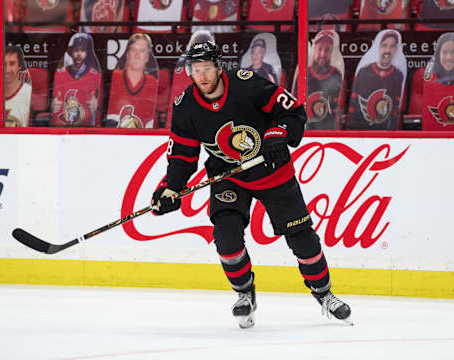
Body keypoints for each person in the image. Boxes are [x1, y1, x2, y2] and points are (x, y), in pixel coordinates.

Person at [151, 40, 353, 329]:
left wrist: (276, 133)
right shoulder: (185, 107)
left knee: (301, 237)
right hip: (228, 175)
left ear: (219, 67)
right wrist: (171, 188)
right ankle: (245, 293)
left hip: (272, 171)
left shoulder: (247, 85)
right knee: (226, 237)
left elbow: (293, 111)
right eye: (196, 70)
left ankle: (325, 295)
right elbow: (182, 154)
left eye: (207, 68)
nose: (203, 75)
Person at [347, 30, 406, 130]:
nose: (388, 50)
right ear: (378, 47)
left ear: (396, 49)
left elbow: (396, 110)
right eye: (384, 45)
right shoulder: (363, 72)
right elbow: (353, 108)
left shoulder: (398, 75)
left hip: (388, 134)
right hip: (361, 132)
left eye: (392, 46)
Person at [293, 30, 344, 129]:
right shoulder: (303, 73)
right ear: (314, 50)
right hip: (304, 130)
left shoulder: (337, 75)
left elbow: (338, 110)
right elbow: (294, 105)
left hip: (328, 131)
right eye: (319, 49)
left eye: (327, 50)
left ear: (332, 52)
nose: (322, 54)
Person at [106, 33, 158, 128]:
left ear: (147, 57)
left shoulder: (153, 83)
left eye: (142, 51)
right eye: (133, 50)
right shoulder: (114, 77)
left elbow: (151, 122)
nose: (137, 55)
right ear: (127, 54)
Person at [51, 33, 102, 127]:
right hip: (64, 128)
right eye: (76, 50)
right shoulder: (60, 73)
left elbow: (97, 113)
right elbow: (56, 109)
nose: (79, 54)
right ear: (71, 52)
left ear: (87, 53)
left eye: (82, 50)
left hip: (86, 130)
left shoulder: (95, 75)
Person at [422, 32, 454, 130]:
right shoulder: (430, 80)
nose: (448, 57)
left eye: (453, 52)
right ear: (438, 54)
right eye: (444, 52)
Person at [0, 46, 32, 127]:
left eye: (12, 63)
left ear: (19, 66)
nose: (7, 69)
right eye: (4, 64)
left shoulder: (29, 92)